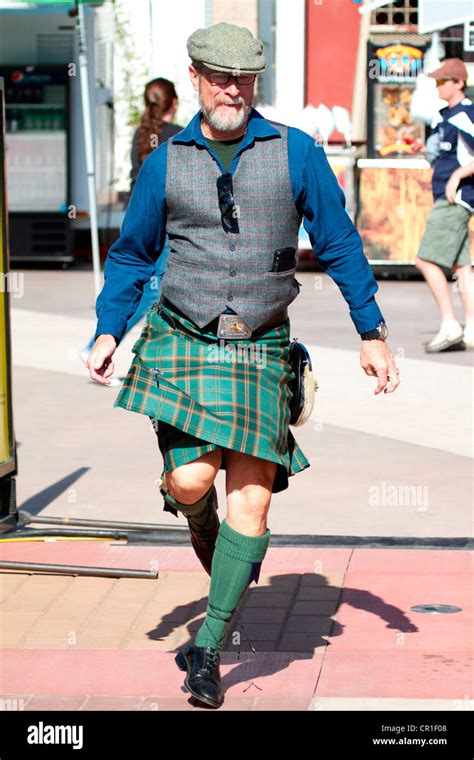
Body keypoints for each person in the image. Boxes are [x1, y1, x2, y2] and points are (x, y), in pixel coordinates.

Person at [86, 22, 400, 709]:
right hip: (182, 336)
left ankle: (209, 649)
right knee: (192, 480)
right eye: (221, 76)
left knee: (250, 501)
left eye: (245, 78)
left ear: (255, 82)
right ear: (195, 76)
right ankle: (200, 523)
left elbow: (341, 243)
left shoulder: (296, 152)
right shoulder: (165, 161)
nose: (233, 89)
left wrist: (371, 330)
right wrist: (109, 329)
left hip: (259, 342)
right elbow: (134, 254)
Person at [80, 78, 183, 382]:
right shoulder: (178, 135)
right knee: (153, 292)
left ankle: (107, 343)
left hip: (137, 217)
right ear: (173, 103)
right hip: (163, 223)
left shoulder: (141, 134)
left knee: (149, 288)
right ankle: (100, 343)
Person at [412, 58, 474, 352]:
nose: (437, 87)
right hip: (452, 196)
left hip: (455, 198)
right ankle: (471, 328)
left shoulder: (466, 114)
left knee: (425, 260)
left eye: (442, 81)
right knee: (462, 267)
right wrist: (424, 150)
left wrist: (458, 176)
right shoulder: (444, 116)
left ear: (459, 83)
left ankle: (450, 324)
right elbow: (445, 154)